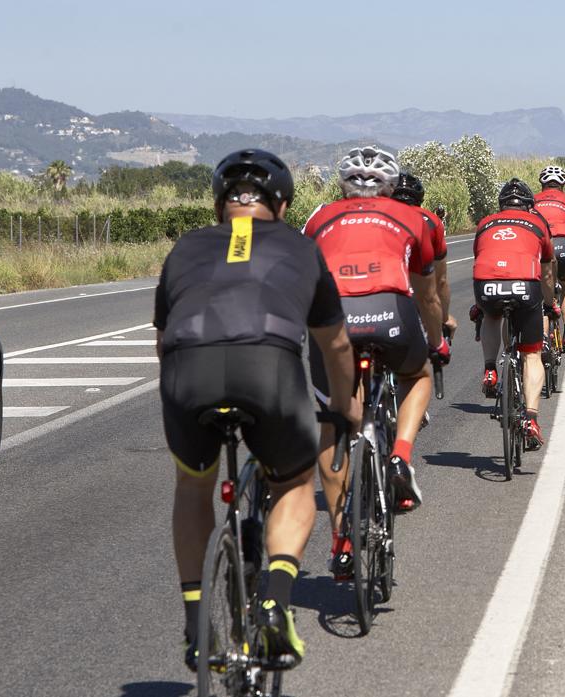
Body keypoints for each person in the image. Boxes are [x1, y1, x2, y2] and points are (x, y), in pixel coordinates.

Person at [156, 149, 360, 670]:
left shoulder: (185, 247)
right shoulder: (300, 246)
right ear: (284, 204)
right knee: (292, 484)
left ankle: (197, 623)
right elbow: (335, 345)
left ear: (219, 204)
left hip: (187, 368)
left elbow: (162, 339)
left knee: (193, 486)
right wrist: (343, 407)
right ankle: (273, 604)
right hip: (267, 367)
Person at [302, 146, 445, 580]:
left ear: (341, 183)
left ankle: (341, 541)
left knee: (333, 421)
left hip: (335, 319)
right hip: (391, 313)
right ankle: (401, 455)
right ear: (392, 185)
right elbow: (428, 295)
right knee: (417, 375)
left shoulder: (319, 217)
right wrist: (436, 344)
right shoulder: (413, 217)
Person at [472, 178, 556, 450]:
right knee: (532, 353)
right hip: (525, 285)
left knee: (490, 316)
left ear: (501, 205)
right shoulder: (538, 224)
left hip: (486, 284)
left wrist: (480, 304)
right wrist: (550, 303)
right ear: (530, 206)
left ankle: (489, 370)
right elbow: (546, 272)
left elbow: (481, 260)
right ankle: (531, 418)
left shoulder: (485, 223)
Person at [390, 172, 458, 338]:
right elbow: (440, 281)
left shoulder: (376, 215)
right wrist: (444, 317)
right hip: (414, 291)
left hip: (374, 293)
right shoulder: (432, 220)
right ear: (419, 198)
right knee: (422, 355)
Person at [533, 165, 565, 352]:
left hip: (541, 244)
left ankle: (544, 340)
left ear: (542, 184)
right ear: (562, 185)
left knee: (541, 290)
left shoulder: (533, 201)